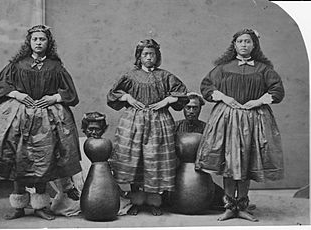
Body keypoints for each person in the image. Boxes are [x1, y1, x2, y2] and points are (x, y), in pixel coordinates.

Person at [0, 25, 82, 220]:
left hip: (48, 119)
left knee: (44, 159)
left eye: (42, 39)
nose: (39, 42)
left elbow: (71, 94)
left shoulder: (55, 67)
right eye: (35, 39)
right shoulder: (18, 64)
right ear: (29, 42)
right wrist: (16, 94)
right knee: (18, 158)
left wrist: (54, 98)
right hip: (18, 117)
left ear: (49, 43)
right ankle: (19, 207)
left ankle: (40, 206)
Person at [195, 29, 284, 222]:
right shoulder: (223, 68)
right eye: (240, 41)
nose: (244, 45)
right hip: (227, 119)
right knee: (228, 162)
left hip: (254, 119)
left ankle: (242, 204)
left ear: (254, 45)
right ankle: (229, 206)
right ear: (234, 45)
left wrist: (259, 101)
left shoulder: (263, 69)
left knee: (247, 161)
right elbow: (207, 87)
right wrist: (224, 98)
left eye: (248, 42)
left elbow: (277, 91)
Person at [107, 39, 189, 216]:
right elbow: (112, 94)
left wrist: (166, 100)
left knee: (155, 159)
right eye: (145, 54)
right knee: (135, 160)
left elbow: (182, 93)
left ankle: (154, 201)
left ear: (157, 56)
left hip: (159, 122)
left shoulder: (165, 76)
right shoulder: (130, 76)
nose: (149, 57)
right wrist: (127, 98)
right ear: (139, 56)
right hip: (134, 122)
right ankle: (136, 200)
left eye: (152, 54)